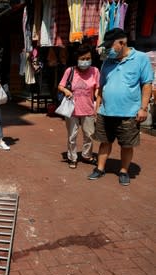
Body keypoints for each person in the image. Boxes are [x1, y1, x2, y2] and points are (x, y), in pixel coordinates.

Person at [88, 28, 154, 185]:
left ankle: (123, 171)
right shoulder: (107, 61)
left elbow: (146, 84)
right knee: (104, 141)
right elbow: (102, 87)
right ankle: (100, 168)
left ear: (122, 42)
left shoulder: (140, 59)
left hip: (129, 112)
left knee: (126, 144)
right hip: (106, 111)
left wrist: (143, 108)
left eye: (111, 46)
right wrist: (97, 107)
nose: (108, 49)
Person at [58, 44, 100, 169]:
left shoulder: (95, 71)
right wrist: (66, 91)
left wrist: (98, 100)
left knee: (89, 135)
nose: (85, 61)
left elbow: (97, 88)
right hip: (72, 110)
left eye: (88, 58)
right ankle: (72, 157)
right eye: (83, 58)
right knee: (72, 136)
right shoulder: (70, 71)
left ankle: (87, 155)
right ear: (77, 59)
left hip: (88, 110)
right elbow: (61, 86)